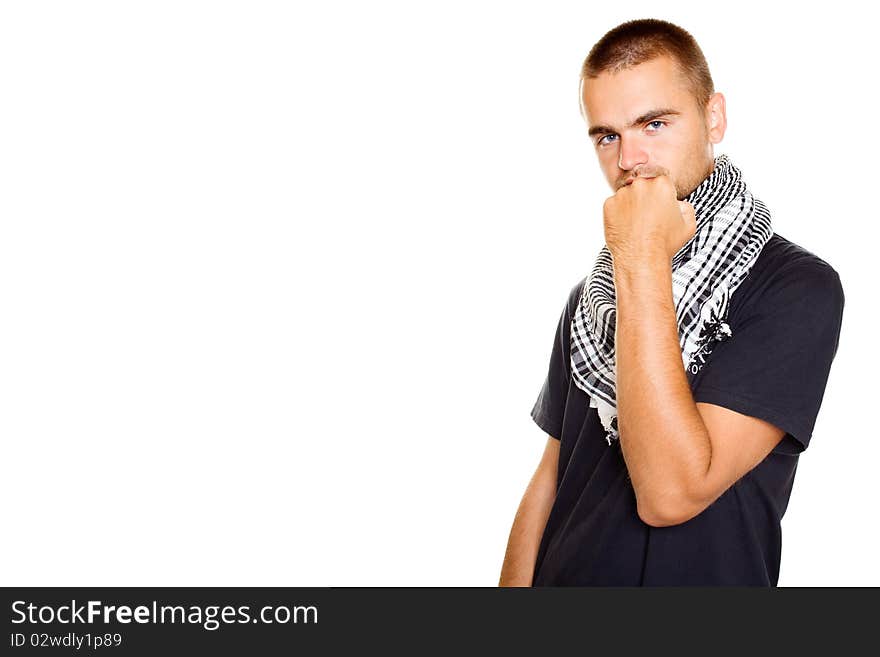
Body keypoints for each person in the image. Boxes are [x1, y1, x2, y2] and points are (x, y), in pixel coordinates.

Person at [498, 18, 845, 586]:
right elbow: (550, 478)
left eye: (654, 124)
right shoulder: (594, 298)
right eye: (607, 135)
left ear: (714, 117)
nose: (629, 158)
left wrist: (639, 257)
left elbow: (670, 494)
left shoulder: (793, 286)